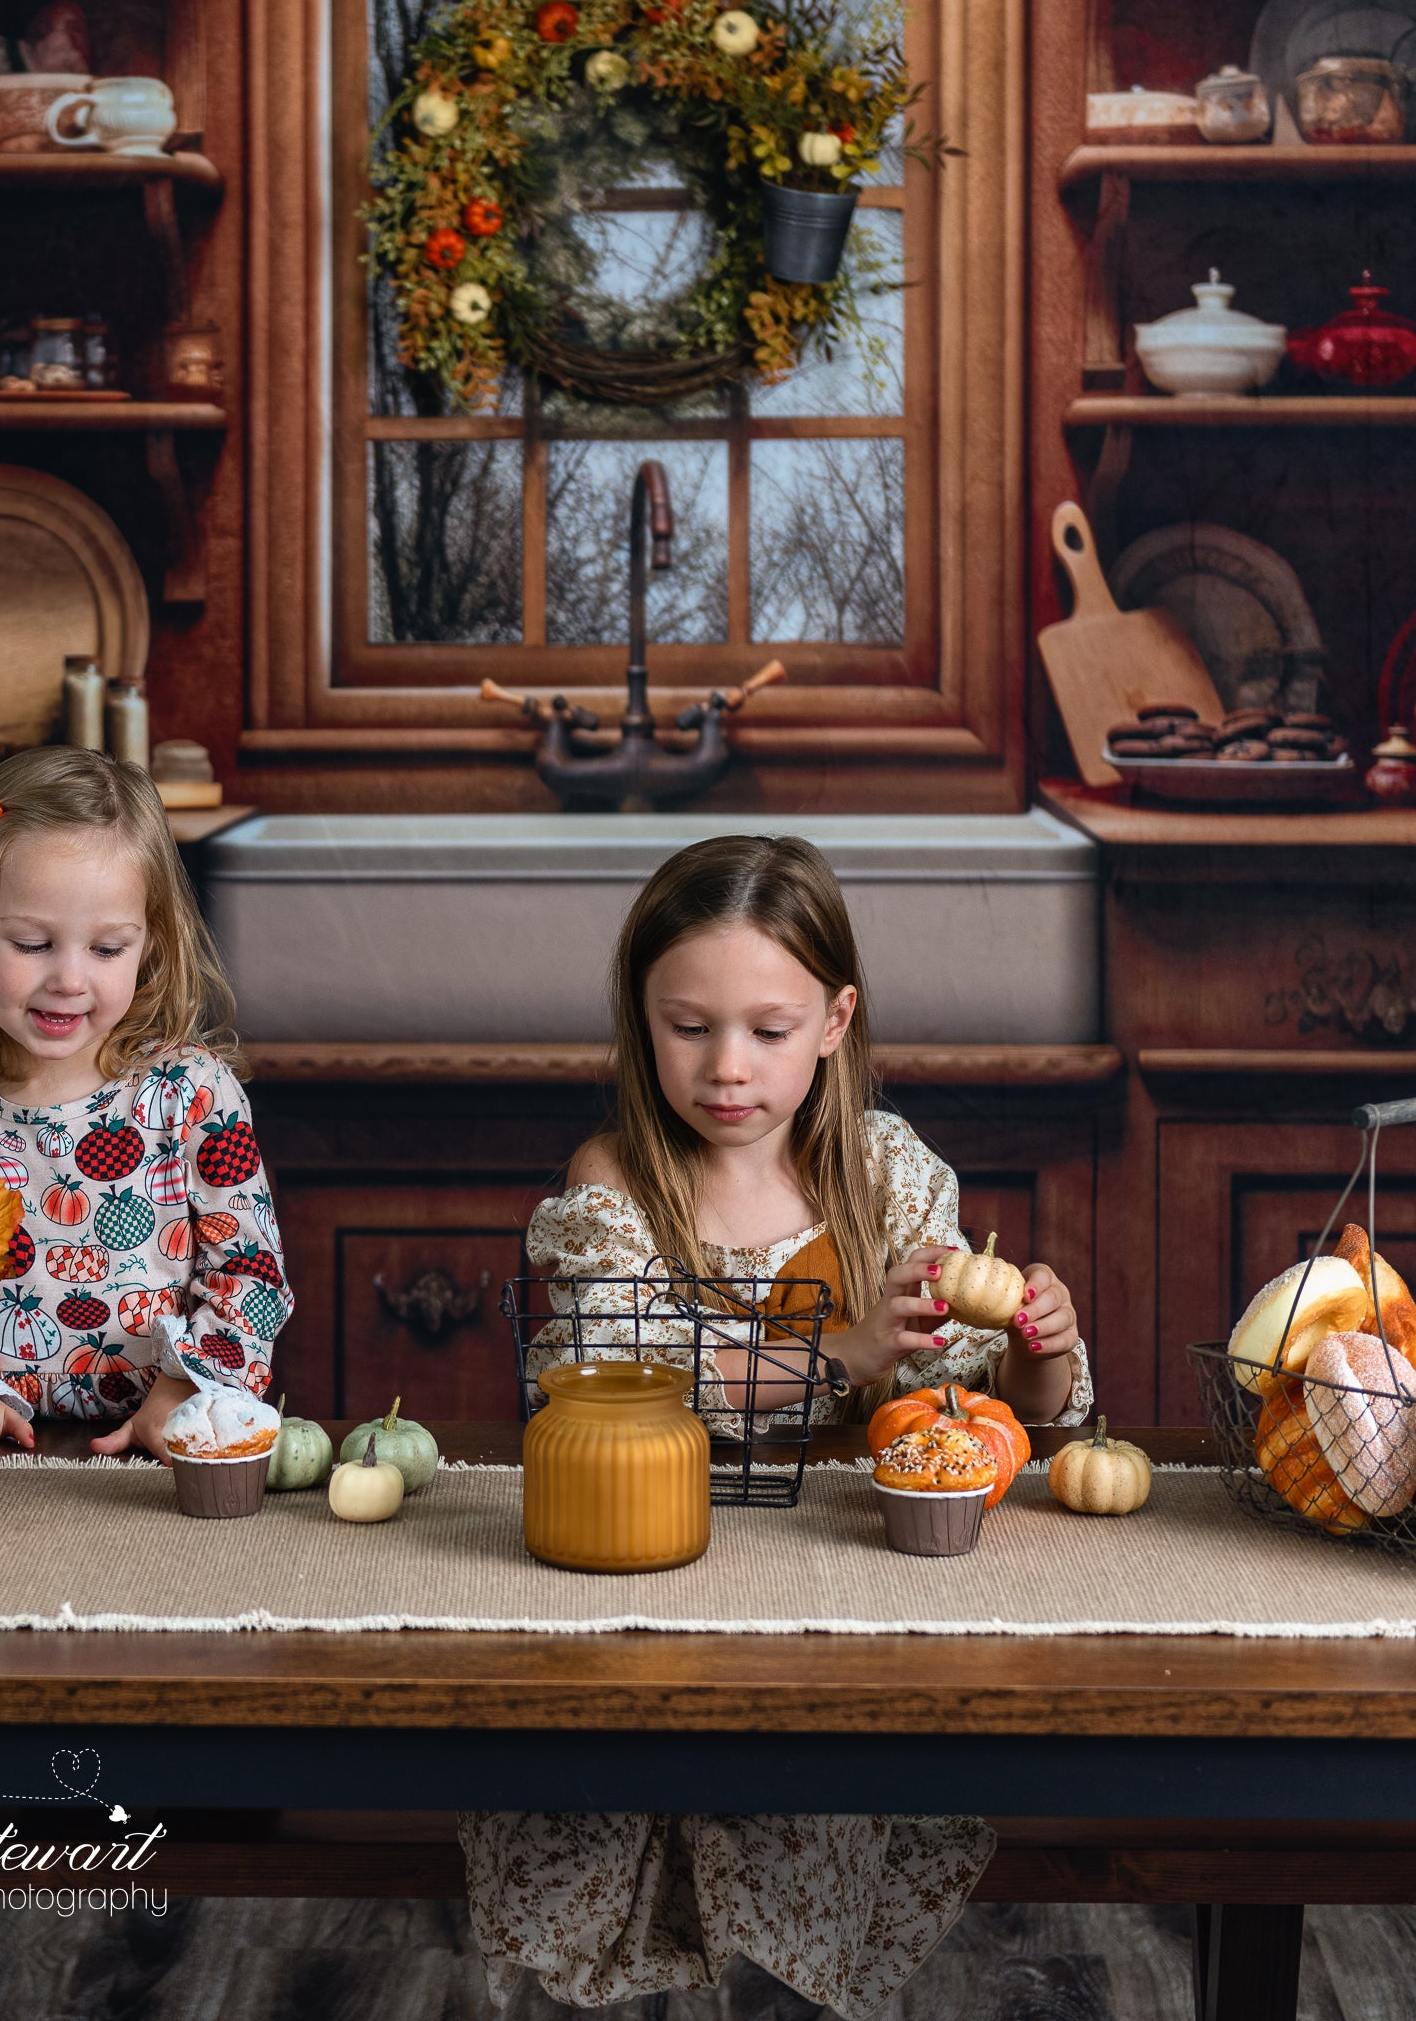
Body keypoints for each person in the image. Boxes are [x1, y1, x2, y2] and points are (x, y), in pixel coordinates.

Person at [461, 833, 1092, 2017]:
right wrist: (840, 1352)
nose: (727, 1065)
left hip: (831, 1576)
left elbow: (978, 1407)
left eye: (768, 1028)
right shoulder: (616, 1177)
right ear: (640, 1017)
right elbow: (623, 1371)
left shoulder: (884, 1176)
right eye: (688, 1026)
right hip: (643, 1561)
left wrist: (1036, 1347)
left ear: (835, 1020)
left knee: (810, 1805)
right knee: (616, 1793)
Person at [0, 747, 289, 1462]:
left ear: (150, 944)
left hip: (163, 1445)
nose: (68, 978)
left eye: (107, 949)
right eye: (32, 943)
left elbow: (250, 1275)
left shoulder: (191, 1095)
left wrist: (182, 1391)